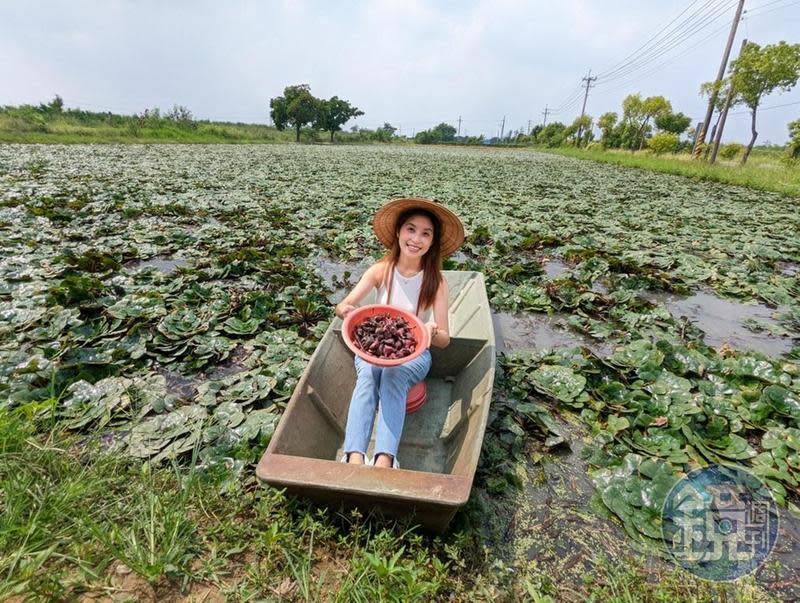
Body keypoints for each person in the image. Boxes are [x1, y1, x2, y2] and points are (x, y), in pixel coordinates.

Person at [335, 197, 465, 469]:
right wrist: (348, 311)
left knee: (393, 374)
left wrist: (430, 331)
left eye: (425, 233)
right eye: (411, 229)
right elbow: (343, 305)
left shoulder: (436, 282)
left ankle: (385, 459)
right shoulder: (380, 271)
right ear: (398, 232)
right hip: (372, 352)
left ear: (432, 242)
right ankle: (354, 456)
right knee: (369, 375)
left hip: (414, 356)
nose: (416, 238)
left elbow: (444, 339)